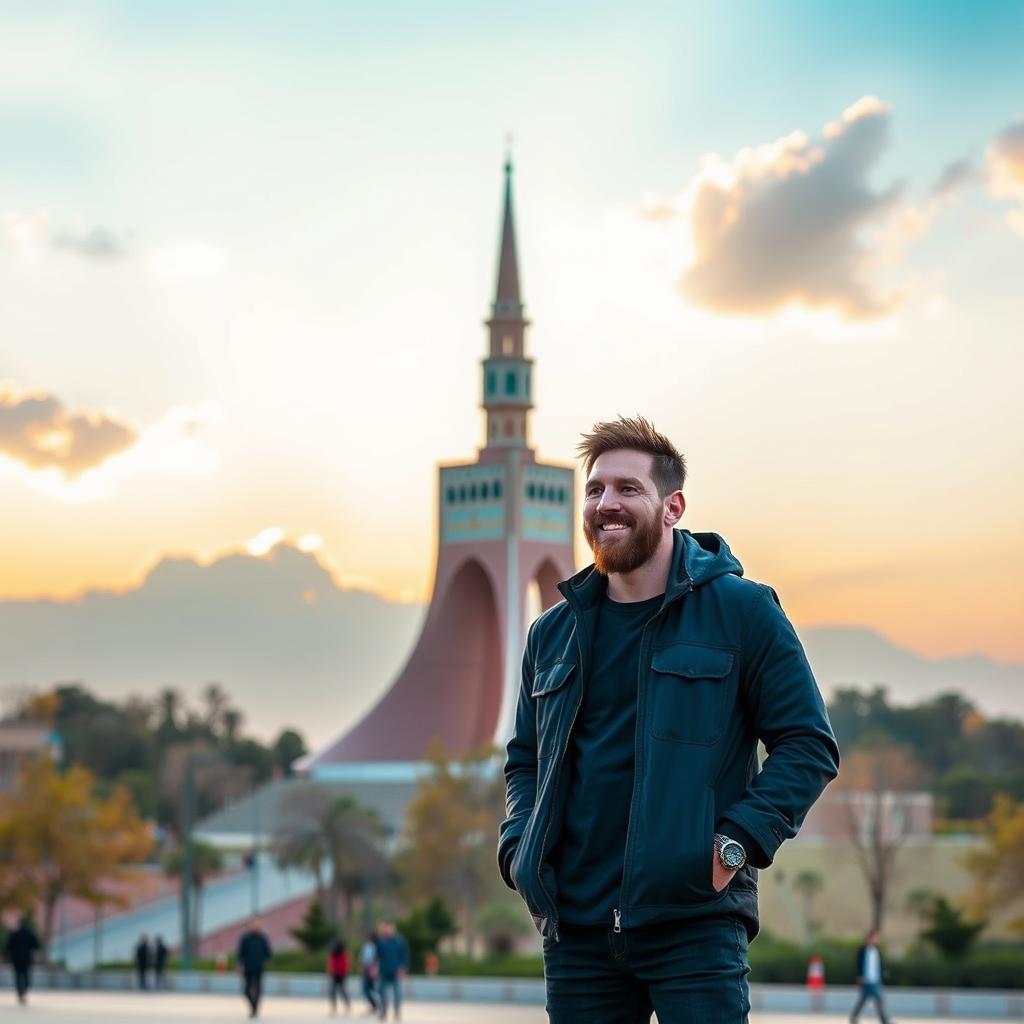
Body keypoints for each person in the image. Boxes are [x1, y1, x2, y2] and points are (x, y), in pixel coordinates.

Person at [498, 416, 841, 1023]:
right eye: (596, 489)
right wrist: (519, 846)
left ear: (672, 505)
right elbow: (525, 760)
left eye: (629, 489)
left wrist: (735, 844)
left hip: (694, 926)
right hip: (576, 934)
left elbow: (807, 744)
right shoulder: (552, 633)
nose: (608, 504)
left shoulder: (743, 613)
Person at [851, 930, 893, 1024]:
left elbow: (880, 964)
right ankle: (884, 1020)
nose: (874, 940)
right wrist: (859, 976)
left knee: (877, 1000)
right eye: (872, 938)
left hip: (876, 980)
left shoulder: (877, 951)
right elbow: (858, 964)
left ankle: (883, 1020)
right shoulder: (862, 950)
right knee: (868, 1000)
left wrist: (883, 973)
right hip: (866, 980)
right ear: (868, 939)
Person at [236, 916, 273, 1018]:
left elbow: (268, 953)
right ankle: (253, 1006)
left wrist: (267, 960)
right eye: (253, 924)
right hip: (248, 968)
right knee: (246, 990)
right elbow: (240, 953)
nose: (255, 926)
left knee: (258, 989)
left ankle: (255, 1008)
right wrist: (239, 965)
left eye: (258, 924)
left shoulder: (263, 938)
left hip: (259, 968)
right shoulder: (245, 938)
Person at [374, 922, 408, 1021]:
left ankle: (397, 1011)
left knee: (397, 993)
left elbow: (404, 956)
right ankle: (383, 1011)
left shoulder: (399, 942)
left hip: (395, 971)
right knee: (381, 992)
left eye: (390, 929)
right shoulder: (381, 942)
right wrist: (375, 968)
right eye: (387, 929)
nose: (388, 931)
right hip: (383, 971)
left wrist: (403, 968)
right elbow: (377, 956)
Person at [5, 915, 41, 1005]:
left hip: (16, 959)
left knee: (17, 976)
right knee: (26, 976)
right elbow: (37, 945)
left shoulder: (14, 934)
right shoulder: (30, 934)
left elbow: (8, 946)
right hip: (26, 959)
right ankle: (24, 990)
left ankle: (20, 993)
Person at [327, 939, 351, 1015]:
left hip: (340, 974)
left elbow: (345, 964)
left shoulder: (341, 953)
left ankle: (344, 1005)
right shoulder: (335, 953)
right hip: (337, 974)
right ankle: (336, 1006)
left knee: (339, 991)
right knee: (335, 991)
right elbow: (331, 963)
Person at [359, 930, 380, 1014]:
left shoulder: (369, 946)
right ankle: (375, 1004)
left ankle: (375, 1004)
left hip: (370, 969)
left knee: (366, 988)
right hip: (371, 969)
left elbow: (364, 959)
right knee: (372, 988)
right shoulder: (374, 946)